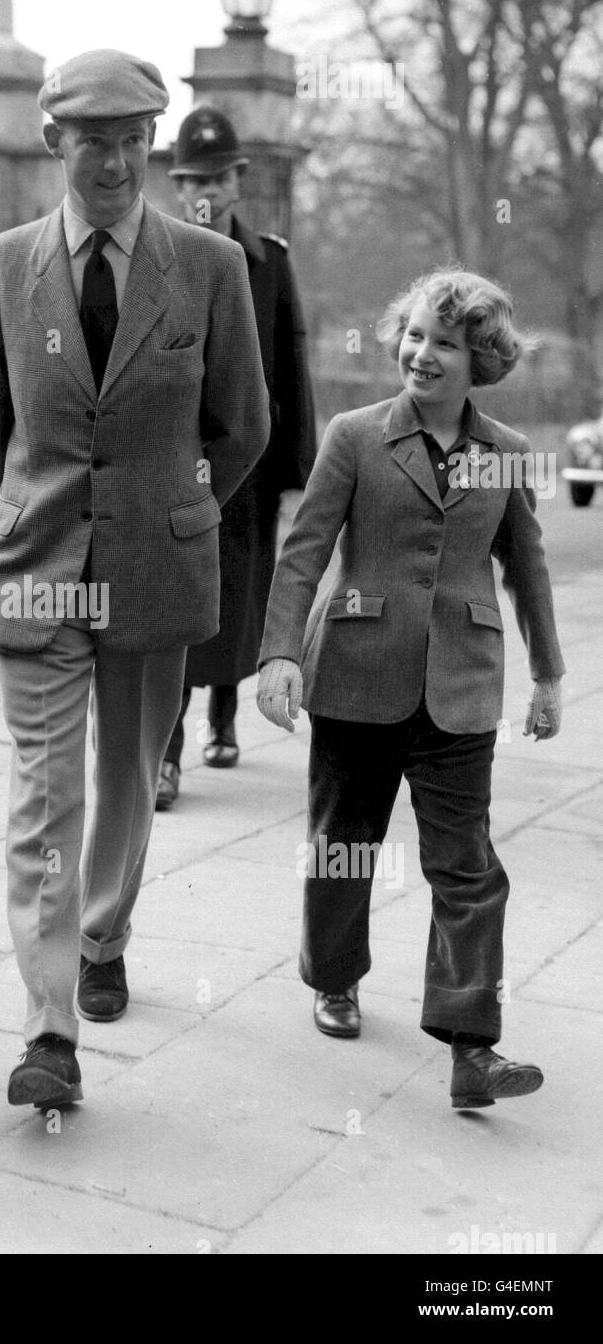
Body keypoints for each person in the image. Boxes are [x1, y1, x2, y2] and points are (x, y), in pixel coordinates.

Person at [0, 50, 269, 1111]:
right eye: (95, 140)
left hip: (156, 566)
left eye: (137, 140)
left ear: (156, 145)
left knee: (128, 781)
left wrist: (180, 511)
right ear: (55, 142)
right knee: (45, 796)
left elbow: (244, 424)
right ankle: (49, 1029)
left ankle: (104, 932)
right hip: (40, 567)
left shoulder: (211, 269)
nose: (117, 161)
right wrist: (43, 502)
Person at [256, 267, 563, 1110]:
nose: (422, 355)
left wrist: (546, 674)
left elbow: (526, 566)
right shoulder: (354, 436)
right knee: (343, 844)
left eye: (447, 345)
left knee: (466, 868)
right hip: (355, 673)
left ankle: (473, 1047)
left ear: (480, 362)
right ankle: (333, 976)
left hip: (460, 684)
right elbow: (303, 550)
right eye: (416, 335)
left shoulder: (503, 454)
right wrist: (278, 654)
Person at [157, 105, 316, 809]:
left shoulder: (269, 262)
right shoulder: (154, 255)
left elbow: (292, 362)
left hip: (246, 468)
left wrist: (299, 471)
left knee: (235, 595)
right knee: (167, 604)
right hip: (169, 463)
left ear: (238, 183)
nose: (206, 191)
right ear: (174, 181)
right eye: (193, 177)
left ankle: (223, 721)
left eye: (219, 179)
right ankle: (164, 753)